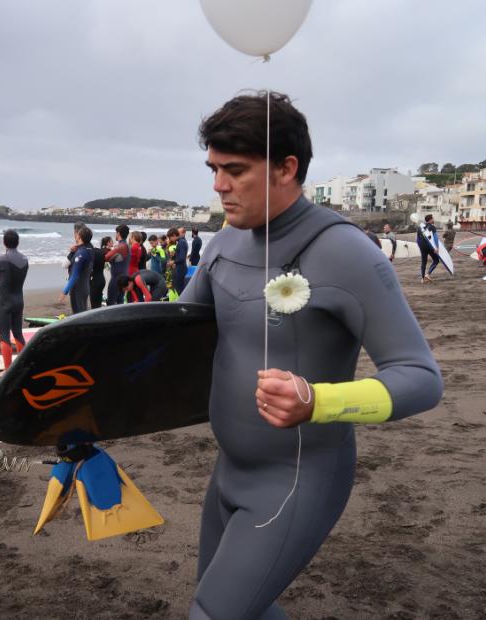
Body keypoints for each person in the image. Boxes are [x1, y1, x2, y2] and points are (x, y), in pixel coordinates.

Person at [182, 91, 442, 619]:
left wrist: (317, 400)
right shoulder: (222, 243)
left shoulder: (344, 252)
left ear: (286, 168)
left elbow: (420, 377)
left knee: (214, 615)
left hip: (297, 475)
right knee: (236, 608)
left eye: (234, 170)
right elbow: (174, 337)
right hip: (229, 469)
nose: (218, 185)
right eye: (213, 169)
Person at [0, 230, 29, 368]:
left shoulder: (1, 259)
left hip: (5, 302)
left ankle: (7, 370)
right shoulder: (25, 260)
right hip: (19, 300)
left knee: (4, 336)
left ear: (4, 242)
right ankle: (21, 368)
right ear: (18, 242)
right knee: (18, 333)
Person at [60, 226, 94, 314]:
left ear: (79, 237)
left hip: (78, 287)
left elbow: (75, 275)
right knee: (81, 314)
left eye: (77, 234)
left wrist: (65, 291)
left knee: (79, 314)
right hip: (84, 285)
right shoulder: (89, 248)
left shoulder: (81, 253)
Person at [105, 224, 130, 306]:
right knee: (120, 302)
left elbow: (106, 257)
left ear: (118, 233)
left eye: (116, 233)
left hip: (116, 279)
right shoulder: (127, 246)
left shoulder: (120, 246)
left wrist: (111, 256)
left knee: (111, 303)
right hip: (124, 278)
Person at [416, 214, 441, 282]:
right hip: (430, 247)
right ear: (430, 219)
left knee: (424, 262)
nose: (434, 220)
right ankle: (428, 274)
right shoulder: (432, 227)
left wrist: (420, 246)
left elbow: (417, 239)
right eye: (433, 218)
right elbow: (435, 238)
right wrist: (436, 248)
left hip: (422, 247)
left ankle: (422, 278)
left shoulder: (420, 227)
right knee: (436, 260)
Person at [92, 236, 112, 309]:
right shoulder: (108, 251)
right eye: (111, 241)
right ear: (108, 243)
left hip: (101, 273)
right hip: (106, 273)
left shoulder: (101, 250)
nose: (112, 242)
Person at [167, 227, 189, 295]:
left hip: (180, 270)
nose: (169, 239)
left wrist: (173, 262)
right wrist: (174, 254)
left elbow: (182, 258)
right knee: (180, 289)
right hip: (181, 269)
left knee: (180, 290)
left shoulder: (181, 242)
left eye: (170, 237)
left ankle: (182, 304)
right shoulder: (181, 242)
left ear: (173, 235)